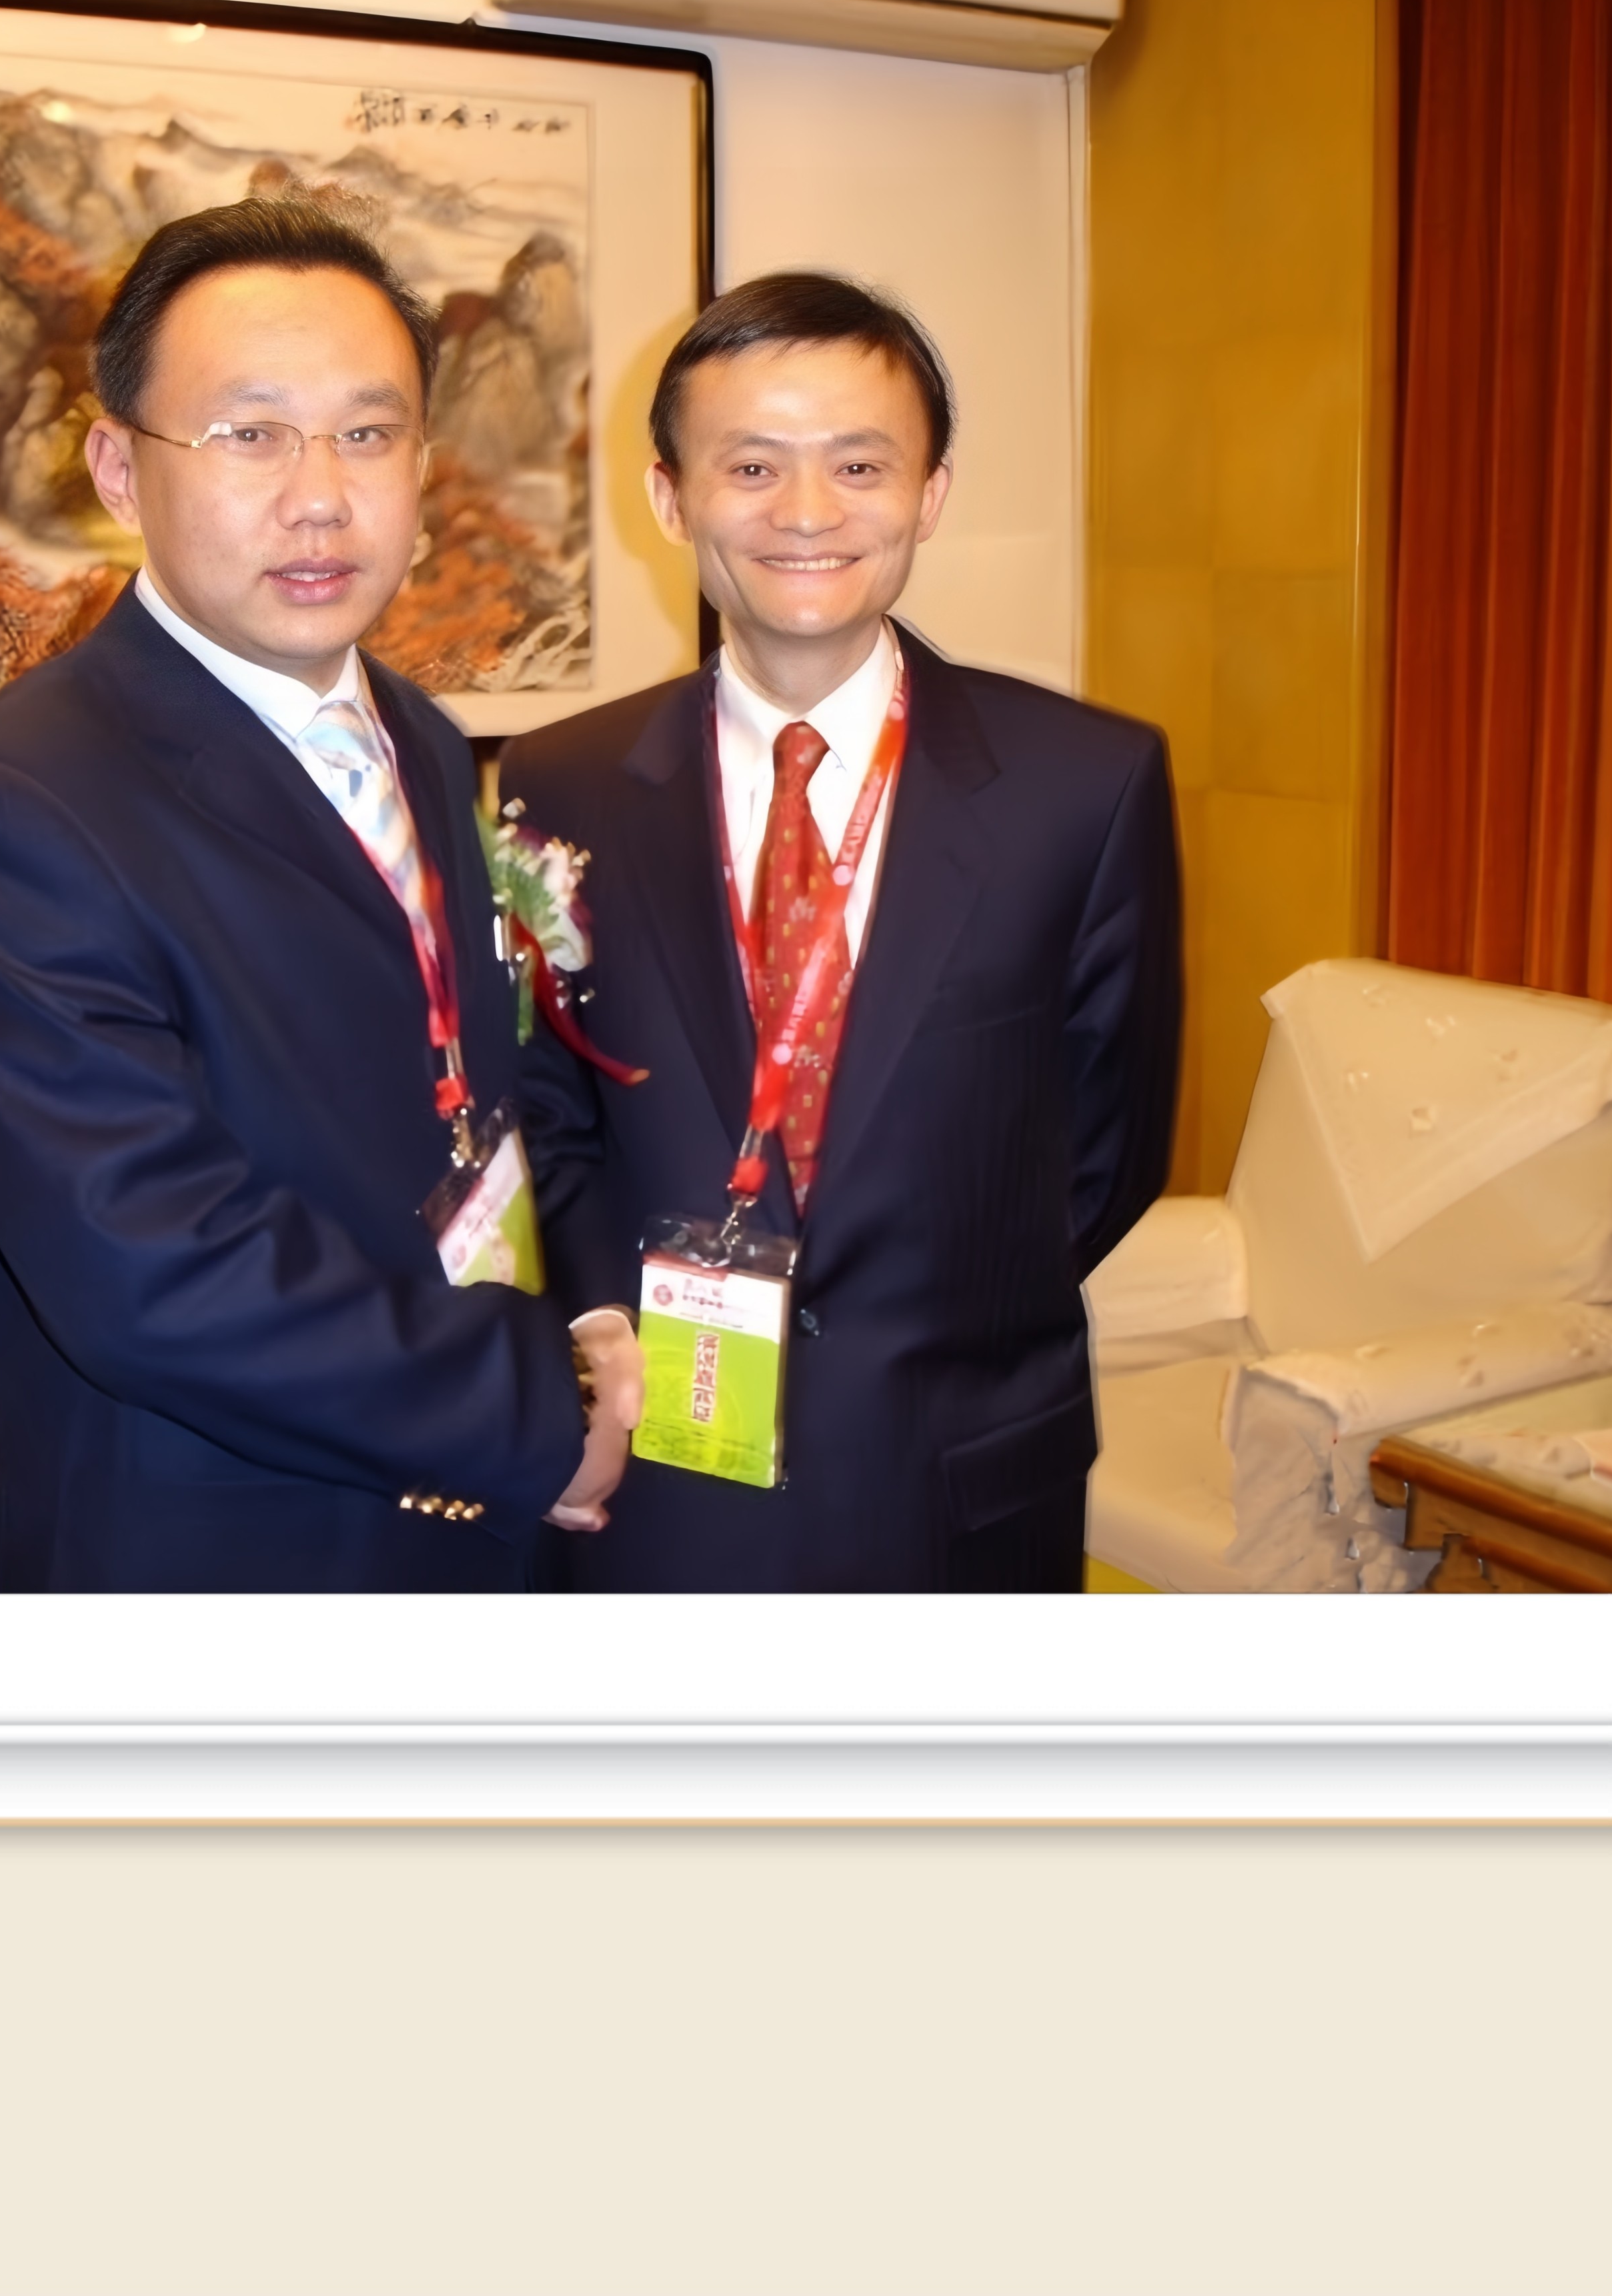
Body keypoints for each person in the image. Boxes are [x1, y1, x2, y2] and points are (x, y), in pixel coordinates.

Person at [0, 196, 638, 1590]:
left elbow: (459, 1095)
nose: (320, 496)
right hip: (223, 1556)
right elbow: (153, 1269)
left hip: (470, 1528)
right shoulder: (14, 806)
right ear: (119, 469)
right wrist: (541, 1406)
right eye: (249, 434)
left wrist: (588, 1325)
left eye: (368, 433)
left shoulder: (420, 735)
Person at [504, 271, 1182, 1591]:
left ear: (930, 493)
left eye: (860, 466)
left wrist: (932, 1320)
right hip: (663, 1457)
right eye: (752, 466)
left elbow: (1110, 1146)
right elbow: (547, 1104)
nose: (808, 512)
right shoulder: (561, 781)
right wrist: (601, 1324)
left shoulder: (1085, 786)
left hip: (957, 1478)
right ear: (670, 497)